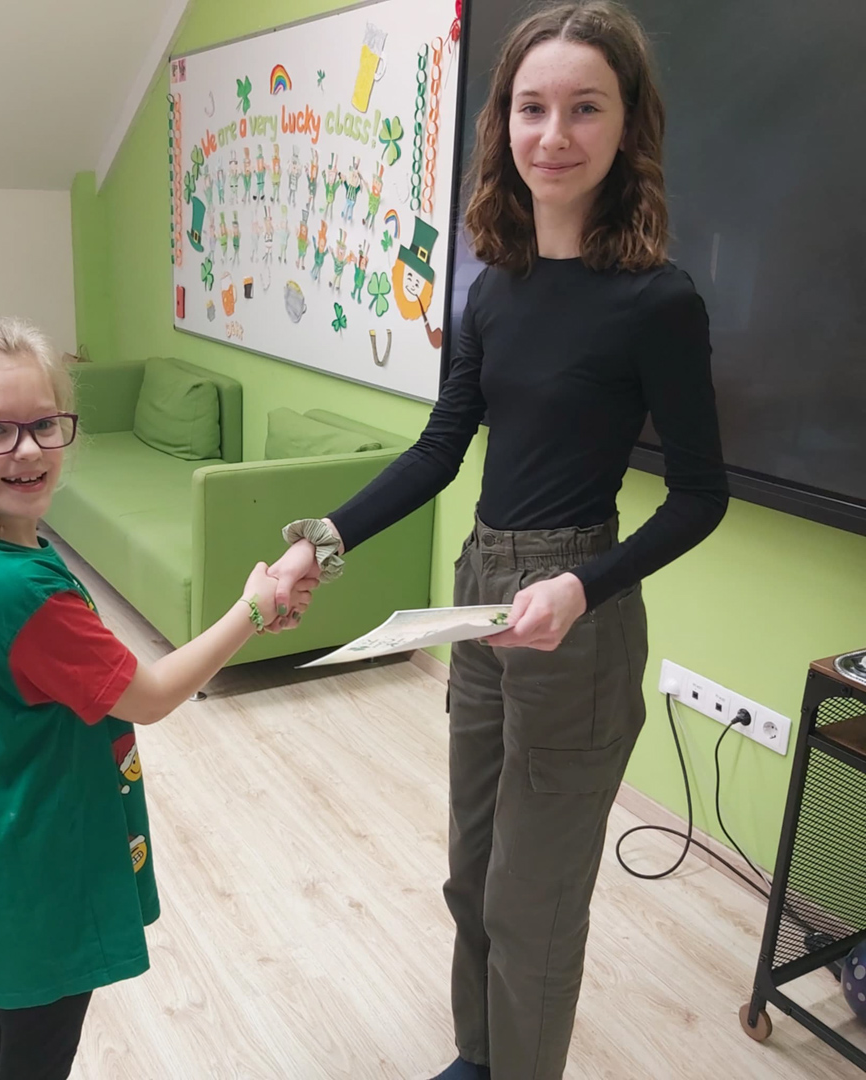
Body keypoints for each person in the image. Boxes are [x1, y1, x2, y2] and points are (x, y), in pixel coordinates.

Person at [268, 4, 728, 1078]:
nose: (553, 135)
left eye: (585, 108)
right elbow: (440, 450)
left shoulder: (658, 301)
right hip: (480, 592)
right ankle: (480, 1057)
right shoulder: (492, 288)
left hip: (577, 611)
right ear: (503, 124)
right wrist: (316, 545)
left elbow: (701, 497)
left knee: (534, 901)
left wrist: (583, 587)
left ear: (628, 126)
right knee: (471, 875)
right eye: (532, 108)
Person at [0, 318, 316, 1080]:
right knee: (37, 1051)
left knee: (7, 1027)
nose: (27, 448)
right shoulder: (19, 590)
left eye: (44, 424)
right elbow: (148, 696)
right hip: (48, 861)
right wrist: (252, 610)